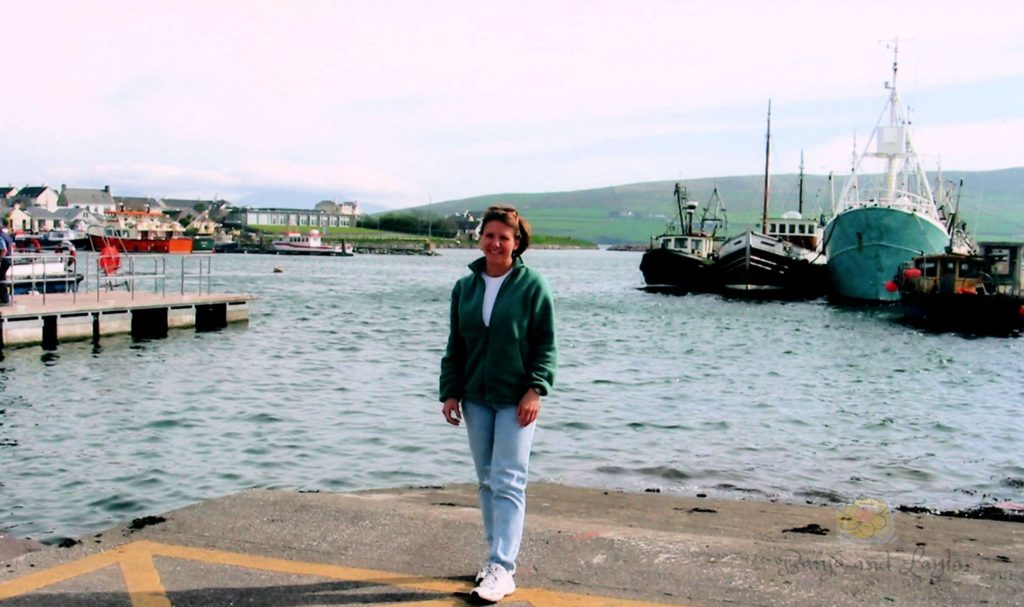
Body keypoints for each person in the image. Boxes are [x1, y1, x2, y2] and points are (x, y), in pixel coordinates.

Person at [439, 205, 557, 603]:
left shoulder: (532, 286)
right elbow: (456, 345)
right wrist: (450, 391)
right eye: (489, 236)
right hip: (475, 398)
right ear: (480, 239)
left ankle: (503, 568)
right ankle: (494, 560)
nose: (495, 243)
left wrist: (536, 390)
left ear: (517, 242)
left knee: (508, 479)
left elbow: (546, 345)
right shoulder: (465, 288)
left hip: (516, 399)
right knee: (487, 480)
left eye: (504, 237)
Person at [0, 227, 13, 305]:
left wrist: (0, 259)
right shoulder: (5, 235)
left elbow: (4, 250)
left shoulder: (0, 236)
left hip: (4, 261)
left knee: (1, 279)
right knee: (2, 278)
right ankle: (4, 299)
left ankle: (5, 299)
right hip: (7, 260)